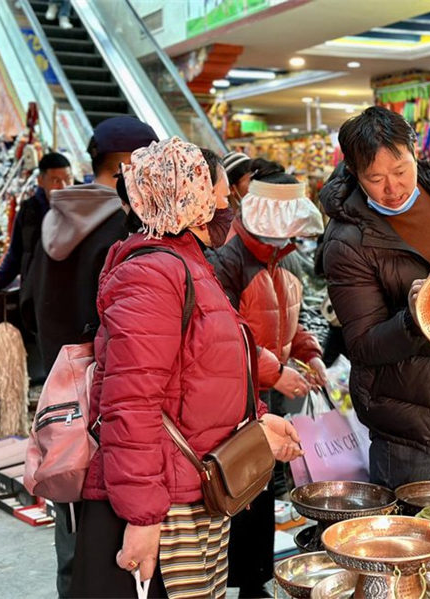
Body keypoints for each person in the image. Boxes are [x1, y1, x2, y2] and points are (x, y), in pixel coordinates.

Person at [70, 137, 302, 599]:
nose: (224, 202)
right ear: (185, 195)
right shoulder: (152, 274)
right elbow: (129, 403)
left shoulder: (189, 265)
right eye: (216, 190)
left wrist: (257, 422)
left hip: (197, 490)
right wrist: (142, 517)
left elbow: (208, 372)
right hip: (168, 504)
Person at [20, 116, 158, 599]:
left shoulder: (53, 217)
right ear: (126, 166)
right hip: (102, 392)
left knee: (68, 506)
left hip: (59, 389)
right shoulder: (119, 231)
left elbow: (26, 303)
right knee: (104, 526)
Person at [319, 106, 430, 490]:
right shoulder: (348, 242)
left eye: (400, 170)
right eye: (375, 178)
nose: (393, 188)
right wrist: (414, 318)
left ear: (415, 151)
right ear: (356, 174)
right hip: (402, 415)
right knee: (405, 538)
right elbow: (363, 345)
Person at [206, 163, 326, 598]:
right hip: (236, 396)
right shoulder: (227, 258)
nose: (293, 238)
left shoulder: (282, 255)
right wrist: (276, 374)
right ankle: (244, 581)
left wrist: (308, 352)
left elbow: (288, 313)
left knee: (260, 489)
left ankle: (255, 580)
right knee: (240, 491)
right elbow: (224, 337)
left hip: (268, 392)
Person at [0, 152, 72, 300]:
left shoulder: (82, 209)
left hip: (71, 297)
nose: (64, 186)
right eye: (55, 180)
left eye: (68, 179)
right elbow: (15, 254)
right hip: (36, 296)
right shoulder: (29, 211)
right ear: (41, 181)